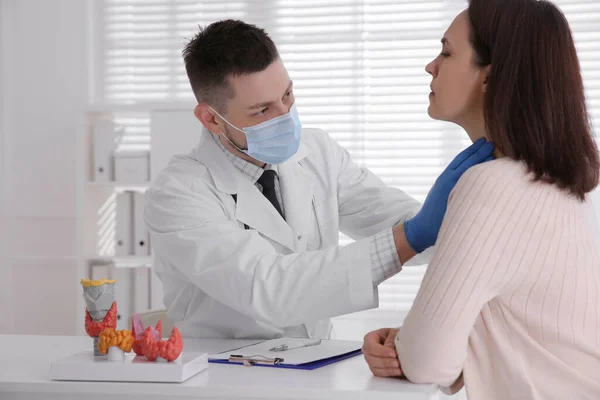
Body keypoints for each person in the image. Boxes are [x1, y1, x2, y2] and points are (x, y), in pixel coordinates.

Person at [144, 19, 494, 339]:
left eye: (287, 95)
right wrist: (412, 236)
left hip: (314, 364)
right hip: (226, 378)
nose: (285, 117)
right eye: (262, 110)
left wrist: (460, 213)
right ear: (211, 119)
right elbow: (270, 289)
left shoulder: (318, 152)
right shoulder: (178, 194)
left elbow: (397, 222)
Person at [362, 0, 600, 399]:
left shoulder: (490, 185)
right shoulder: (561, 184)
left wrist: (409, 345)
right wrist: (410, 338)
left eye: (447, 51)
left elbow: (427, 363)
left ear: (490, 77)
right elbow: (527, 326)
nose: (431, 66)